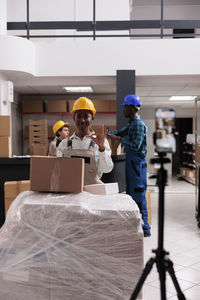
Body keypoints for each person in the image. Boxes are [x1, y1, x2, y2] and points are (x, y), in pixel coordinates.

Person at [107, 94, 151, 237]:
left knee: (138, 197)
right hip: (132, 164)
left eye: (125, 107)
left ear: (132, 108)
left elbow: (136, 146)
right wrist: (107, 134)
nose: (123, 110)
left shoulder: (138, 125)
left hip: (137, 165)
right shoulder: (132, 124)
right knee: (131, 196)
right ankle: (134, 226)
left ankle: (145, 228)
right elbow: (120, 132)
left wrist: (119, 139)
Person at [57, 97, 114, 185]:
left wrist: (101, 149)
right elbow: (58, 171)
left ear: (92, 118)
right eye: (79, 116)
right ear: (74, 118)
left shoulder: (100, 142)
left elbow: (106, 169)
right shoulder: (64, 144)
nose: (82, 120)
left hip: (93, 192)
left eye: (86, 116)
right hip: (70, 191)